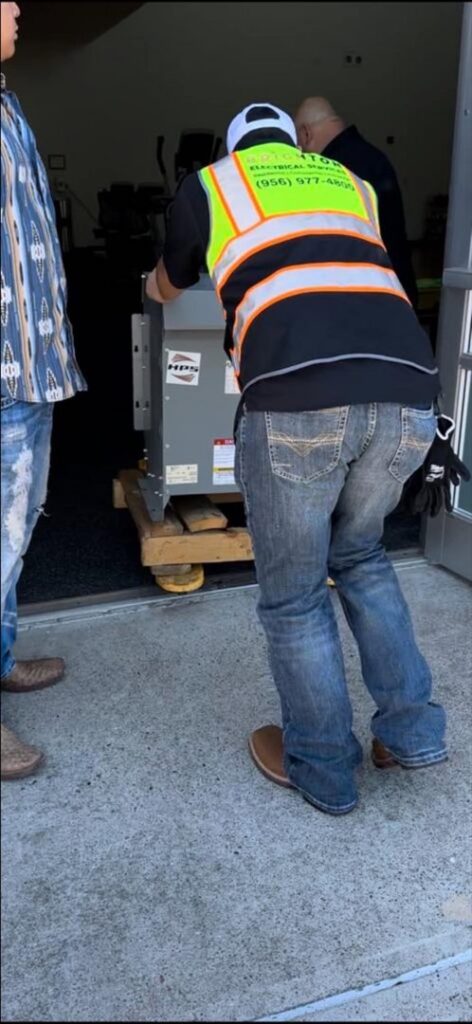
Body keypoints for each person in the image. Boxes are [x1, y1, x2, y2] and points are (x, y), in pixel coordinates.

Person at [145, 101, 466, 816]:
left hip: (299, 396)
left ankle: (322, 767)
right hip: (406, 392)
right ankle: (411, 735)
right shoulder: (352, 184)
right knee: (362, 559)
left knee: (293, 599)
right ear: (297, 144)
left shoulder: (213, 183)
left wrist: (150, 286)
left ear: (236, 147)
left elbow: (173, 278)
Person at [1, 2, 87, 779]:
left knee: (14, 536)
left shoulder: (6, 104)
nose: (17, 9)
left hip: (29, 369)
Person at [295, 96, 418, 306]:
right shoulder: (371, 157)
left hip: (366, 299)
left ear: (306, 134)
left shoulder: (330, 171)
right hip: (394, 289)